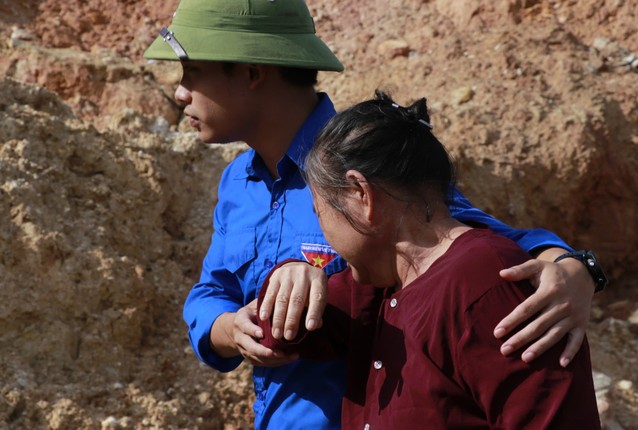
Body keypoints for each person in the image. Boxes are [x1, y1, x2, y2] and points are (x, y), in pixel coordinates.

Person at [142, 0, 603, 428]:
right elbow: (212, 293)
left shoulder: (367, 166)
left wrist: (574, 269)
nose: (180, 93)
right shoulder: (238, 184)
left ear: (251, 72)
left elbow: (456, 244)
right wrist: (231, 328)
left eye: (193, 71)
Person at [257, 91, 601, 429]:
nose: (325, 231)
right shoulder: (378, 283)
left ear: (361, 195)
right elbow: (276, 333)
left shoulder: (486, 285)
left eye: (321, 212)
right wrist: (290, 275)